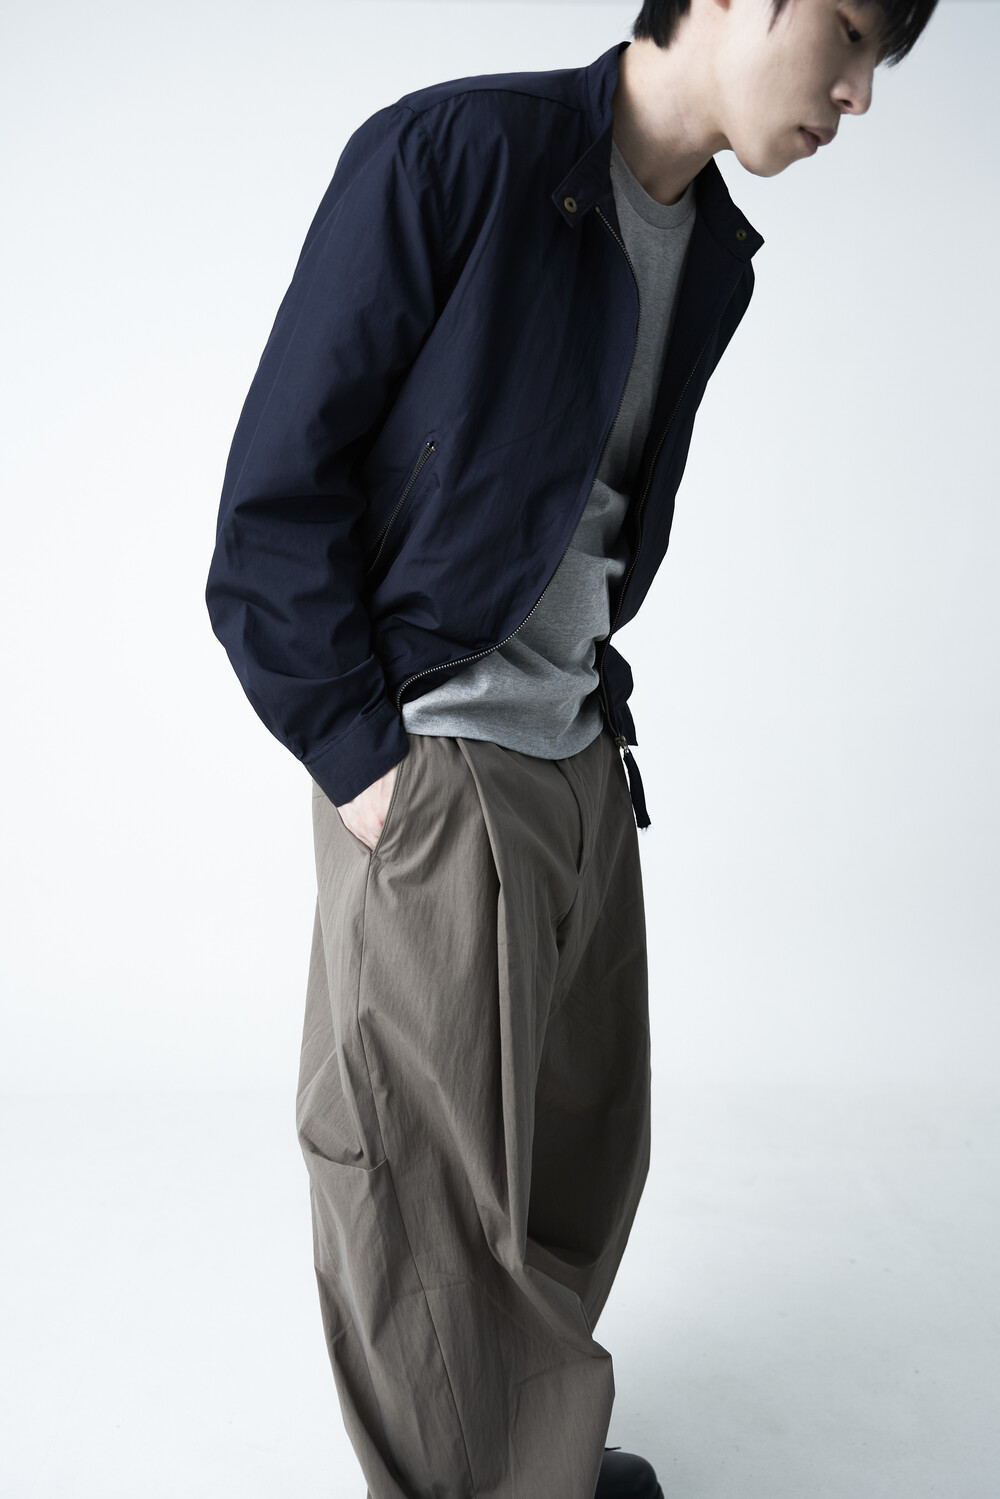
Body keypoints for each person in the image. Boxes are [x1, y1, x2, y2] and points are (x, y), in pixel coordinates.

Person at [205, 0, 937, 1493]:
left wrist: (588, 734)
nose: (859, 95)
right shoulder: (458, 153)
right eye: (853, 34)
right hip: (444, 760)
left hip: (582, 749)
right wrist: (368, 764)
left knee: (580, 1158)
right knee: (419, 1188)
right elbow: (276, 496)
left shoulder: (704, 247)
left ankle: (521, 1451)